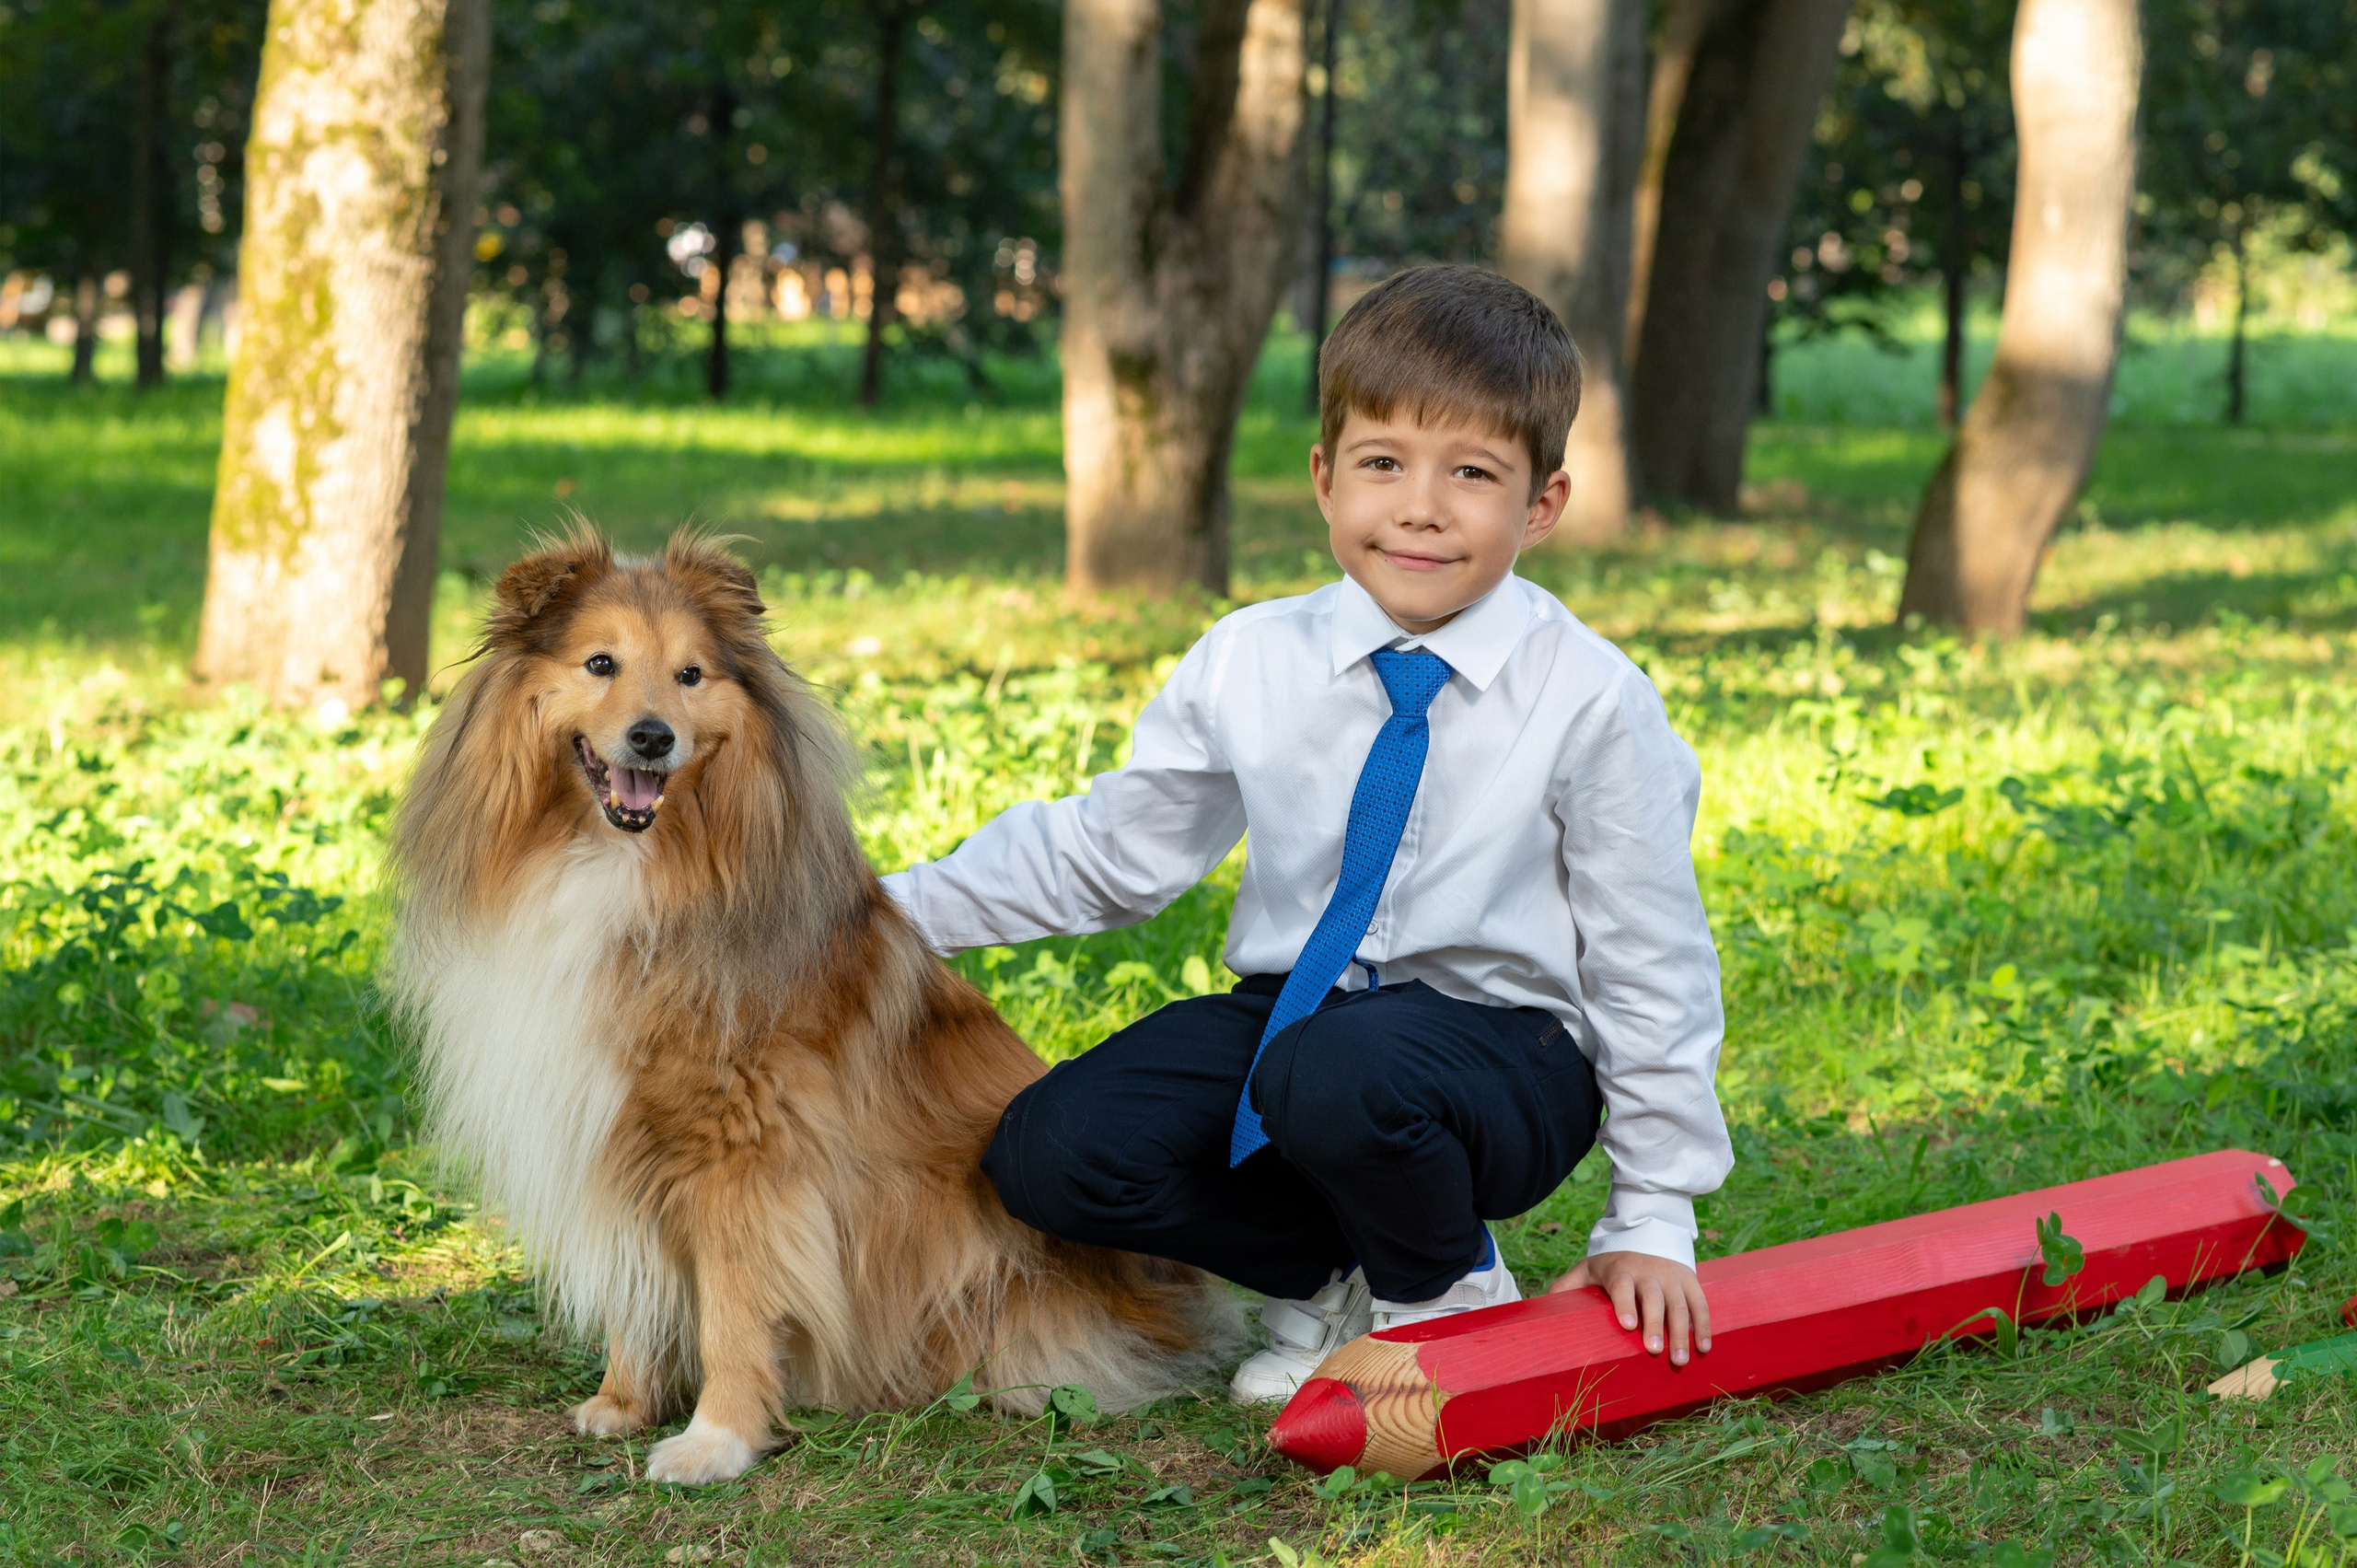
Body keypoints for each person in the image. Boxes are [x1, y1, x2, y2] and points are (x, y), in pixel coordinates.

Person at [881, 263, 1731, 1405]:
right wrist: (878, 912)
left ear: (1541, 504)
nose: (1420, 507)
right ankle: (1337, 1271)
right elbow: (1111, 851)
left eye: (1472, 473)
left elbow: (1649, 954)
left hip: (1507, 1055)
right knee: (1053, 1148)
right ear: (1325, 478)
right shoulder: (1251, 657)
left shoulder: (1591, 697)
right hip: (1299, 1020)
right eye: (1383, 463)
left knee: (1338, 1069)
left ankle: (1440, 1298)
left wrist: (1654, 1212)